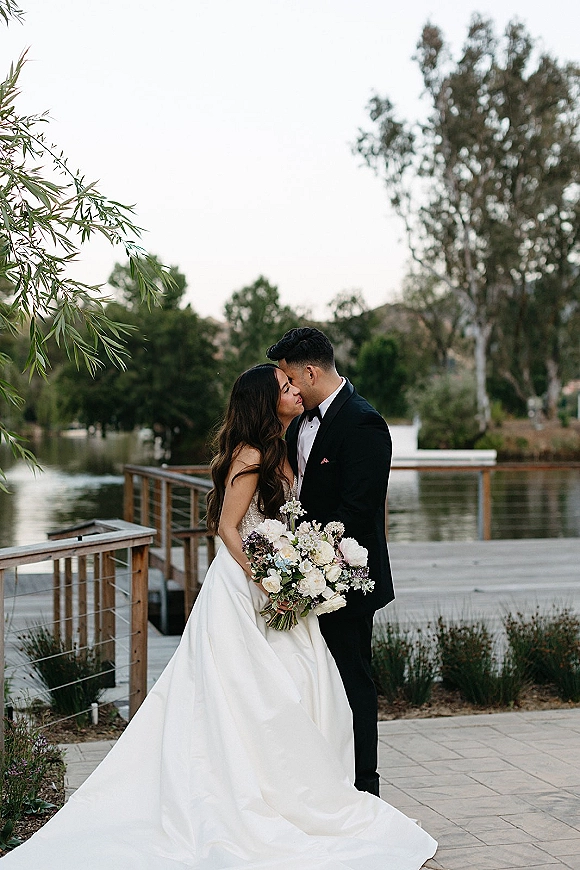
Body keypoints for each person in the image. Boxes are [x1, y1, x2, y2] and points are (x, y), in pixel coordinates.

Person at [1, 364, 436, 869]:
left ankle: (305, 789)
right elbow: (227, 527)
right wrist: (266, 576)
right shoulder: (251, 454)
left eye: (294, 383)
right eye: (284, 387)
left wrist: (295, 565)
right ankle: (243, 792)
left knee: (303, 682)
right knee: (247, 693)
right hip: (243, 586)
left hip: (278, 580)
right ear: (264, 401)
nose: (294, 390)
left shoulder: (283, 443)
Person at [267, 328, 392, 797]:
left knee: (353, 679)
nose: (289, 389)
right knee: (312, 682)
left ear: (310, 372)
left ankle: (365, 787)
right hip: (302, 577)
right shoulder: (298, 424)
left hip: (348, 580)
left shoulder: (364, 423)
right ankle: (323, 782)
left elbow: (357, 510)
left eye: (289, 378)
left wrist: (308, 562)